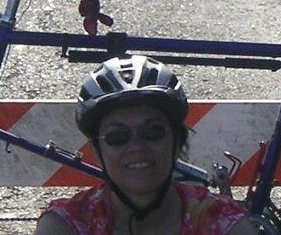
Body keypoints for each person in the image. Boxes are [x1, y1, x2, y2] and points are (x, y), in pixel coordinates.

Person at [35, 56, 261, 235]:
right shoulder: (65, 226)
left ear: (177, 140)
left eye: (153, 132)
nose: (136, 147)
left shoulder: (223, 224)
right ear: (96, 150)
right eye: (117, 137)